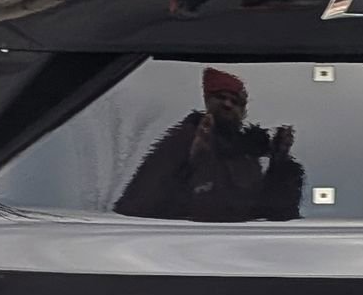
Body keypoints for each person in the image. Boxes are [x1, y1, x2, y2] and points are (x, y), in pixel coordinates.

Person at [113, 68, 303, 222]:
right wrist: (195, 166)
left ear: (243, 110)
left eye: (235, 101)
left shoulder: (247, 156)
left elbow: (272, 212)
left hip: (247, 246)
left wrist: (280, 165)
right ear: (207, 101)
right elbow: (139, 206)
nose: (228, 104)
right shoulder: (180, 143)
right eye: (220, 97)